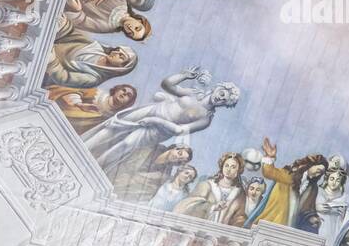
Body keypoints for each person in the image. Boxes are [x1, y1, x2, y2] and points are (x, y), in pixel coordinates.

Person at [83, 68, 239, 177]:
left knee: (127, 144)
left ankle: (93, 168)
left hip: (159, 130)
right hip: (153, 110)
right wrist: (183, 75)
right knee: (114, 127)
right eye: (223, 93)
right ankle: (84, 147)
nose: (221, 98)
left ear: (224, 105)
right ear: (219, 88)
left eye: (225, 101)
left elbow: (179, 130)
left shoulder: (205, 119)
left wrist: (155, 121)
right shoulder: (193, 93)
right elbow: (167, 85)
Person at [175, 152, 246, 225]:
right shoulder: (206, 185)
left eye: (233, 167)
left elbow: (240, 216)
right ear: (222, 167)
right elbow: (190, 205)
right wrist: (212, 207)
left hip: (221, 233)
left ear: (239, 170)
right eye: (226, 165)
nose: (228, 169)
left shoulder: (239, 193)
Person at [46, 83, 136, 135]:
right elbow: (68, 89)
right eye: (123, 90)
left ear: (128, 102)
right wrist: (79, 104)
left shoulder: (110, 120)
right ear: (117, 90)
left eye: (128, 95)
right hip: (54, 117)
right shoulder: (94, 93)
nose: (124, 94)